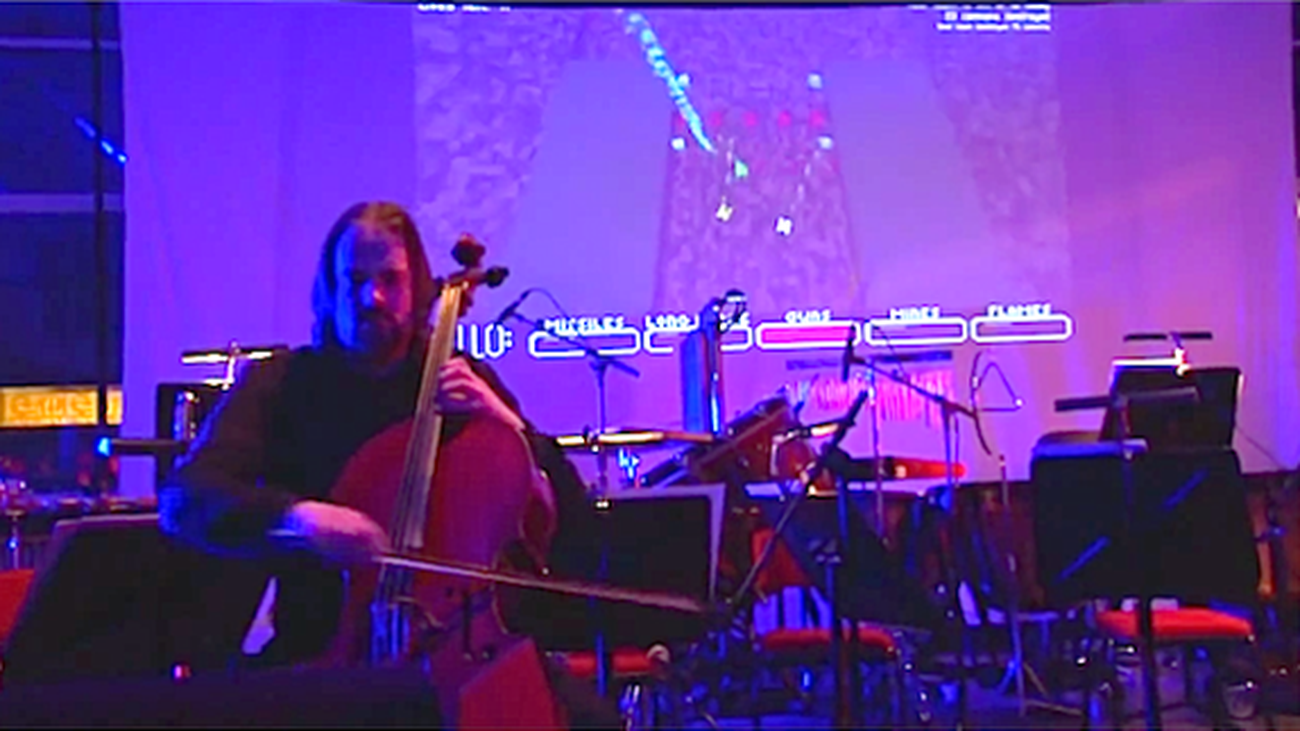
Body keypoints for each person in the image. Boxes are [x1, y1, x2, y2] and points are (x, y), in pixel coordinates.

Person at [157, 202, 612, 723]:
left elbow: (576, 526)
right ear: (330, 290)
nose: (372, 297)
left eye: (390, 280)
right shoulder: (283, 384)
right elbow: (186, 498)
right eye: (355, 280)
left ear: (416, 289)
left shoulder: (461, 383)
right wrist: (300, 518)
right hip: (326, 659)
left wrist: (506, 422)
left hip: (461, 654)